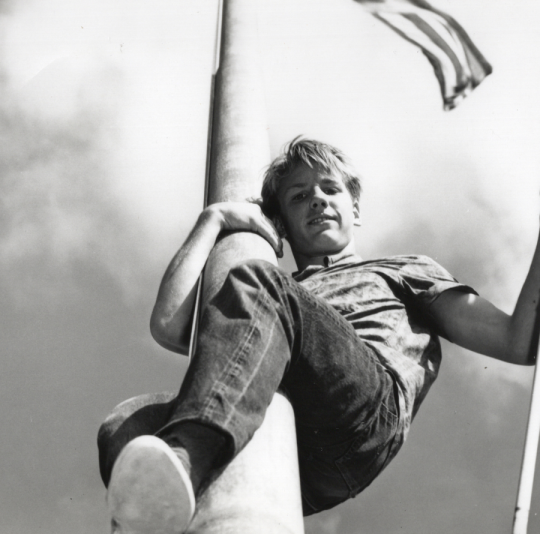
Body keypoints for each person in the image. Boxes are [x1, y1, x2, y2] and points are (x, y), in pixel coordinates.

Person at [100, 138, 540, 534]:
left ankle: (187, 456)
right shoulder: (261, 300)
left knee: (265, 285)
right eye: (299, 196)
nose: (317, 201)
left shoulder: (400, 270)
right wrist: (212, 221)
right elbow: (169, 324)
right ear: (281, 225)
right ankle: (156, 513)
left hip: (363, 413)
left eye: (330, 189)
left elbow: (514, 341)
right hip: (285, 444)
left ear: (355, 208)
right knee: (129, 421)